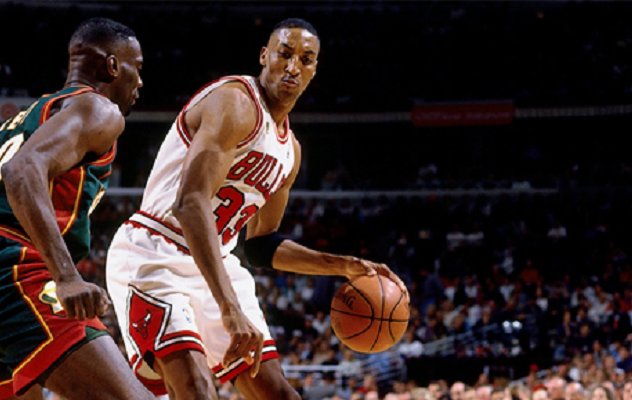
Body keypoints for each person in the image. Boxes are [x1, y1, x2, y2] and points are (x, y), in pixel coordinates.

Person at [106, 18, 407, 399]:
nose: (293, 66)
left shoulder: (290, 152)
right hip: (156, 251)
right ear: (264, 56)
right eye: (284, 54)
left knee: (279, 394)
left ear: (315, 70)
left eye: (305, 59)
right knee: (196, 389)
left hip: (216, 262)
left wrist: (344, 265)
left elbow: (262, 246)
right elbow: (189, 203)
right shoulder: (234, 101)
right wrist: (229, 307)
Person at [0, 18, 151, 400]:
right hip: (4, 266)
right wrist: (66, 277)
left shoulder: (18, 123)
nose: (140, 82)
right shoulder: (98, 108)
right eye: (137, 68)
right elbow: (22, 170)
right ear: (112, 66)